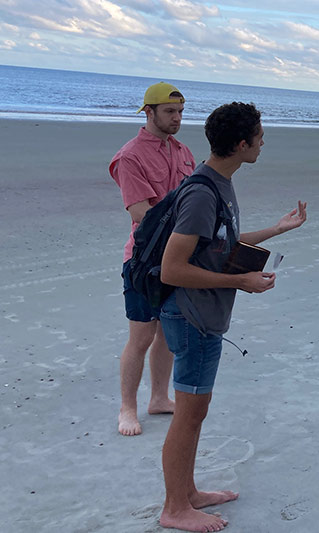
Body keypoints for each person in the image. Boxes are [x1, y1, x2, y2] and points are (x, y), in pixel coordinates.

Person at [157, 102, 307, 531]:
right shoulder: (204, 191)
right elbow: (173, 268)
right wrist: (241, 282)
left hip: (202, 315)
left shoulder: (217, 182)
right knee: (189, 413)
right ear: (242, 144)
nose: (263, 141)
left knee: (195, 411)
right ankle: (174, 508)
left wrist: (277, 230)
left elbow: (221, 241)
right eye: (259, 135)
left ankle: (187, 493)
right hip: (191, 316)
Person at [109, 81, 195, 436]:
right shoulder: (130, 156)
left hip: (178, 257)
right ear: (149, 112)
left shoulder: (183, 151)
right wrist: (188, 224)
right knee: (141, 336)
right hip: (144, 262)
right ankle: (127, 408)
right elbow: (140, 211)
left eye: (180, 113)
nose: (176, 119)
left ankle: (159, 397)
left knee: (167, 333)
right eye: (169, 112)